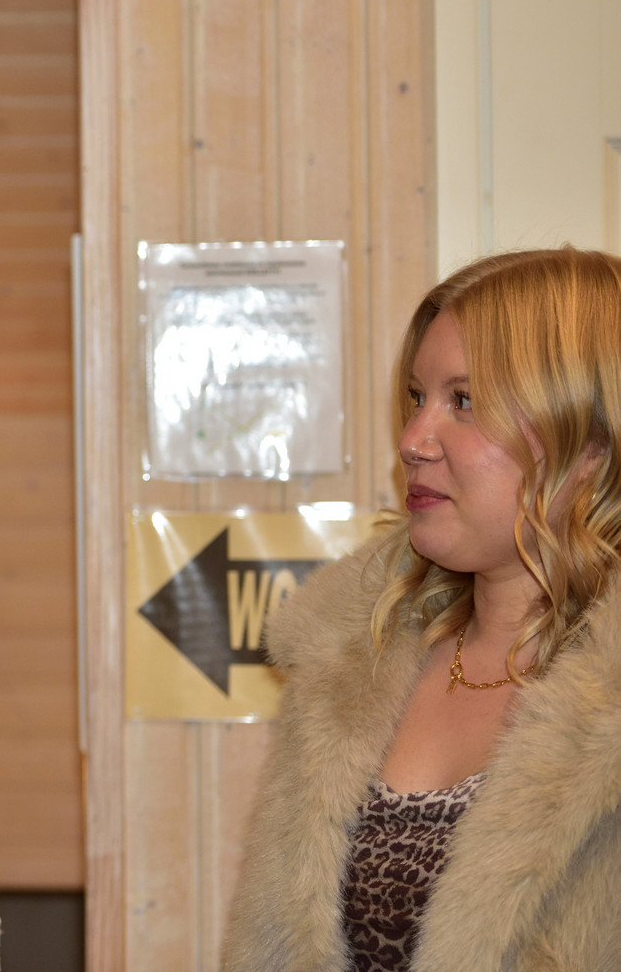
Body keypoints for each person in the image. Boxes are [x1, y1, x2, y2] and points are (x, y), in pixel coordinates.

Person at [223, 248, 621, 972]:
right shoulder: (354, 658)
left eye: (463, 401)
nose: (412, 440)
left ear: (589, 442)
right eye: (417, 397)